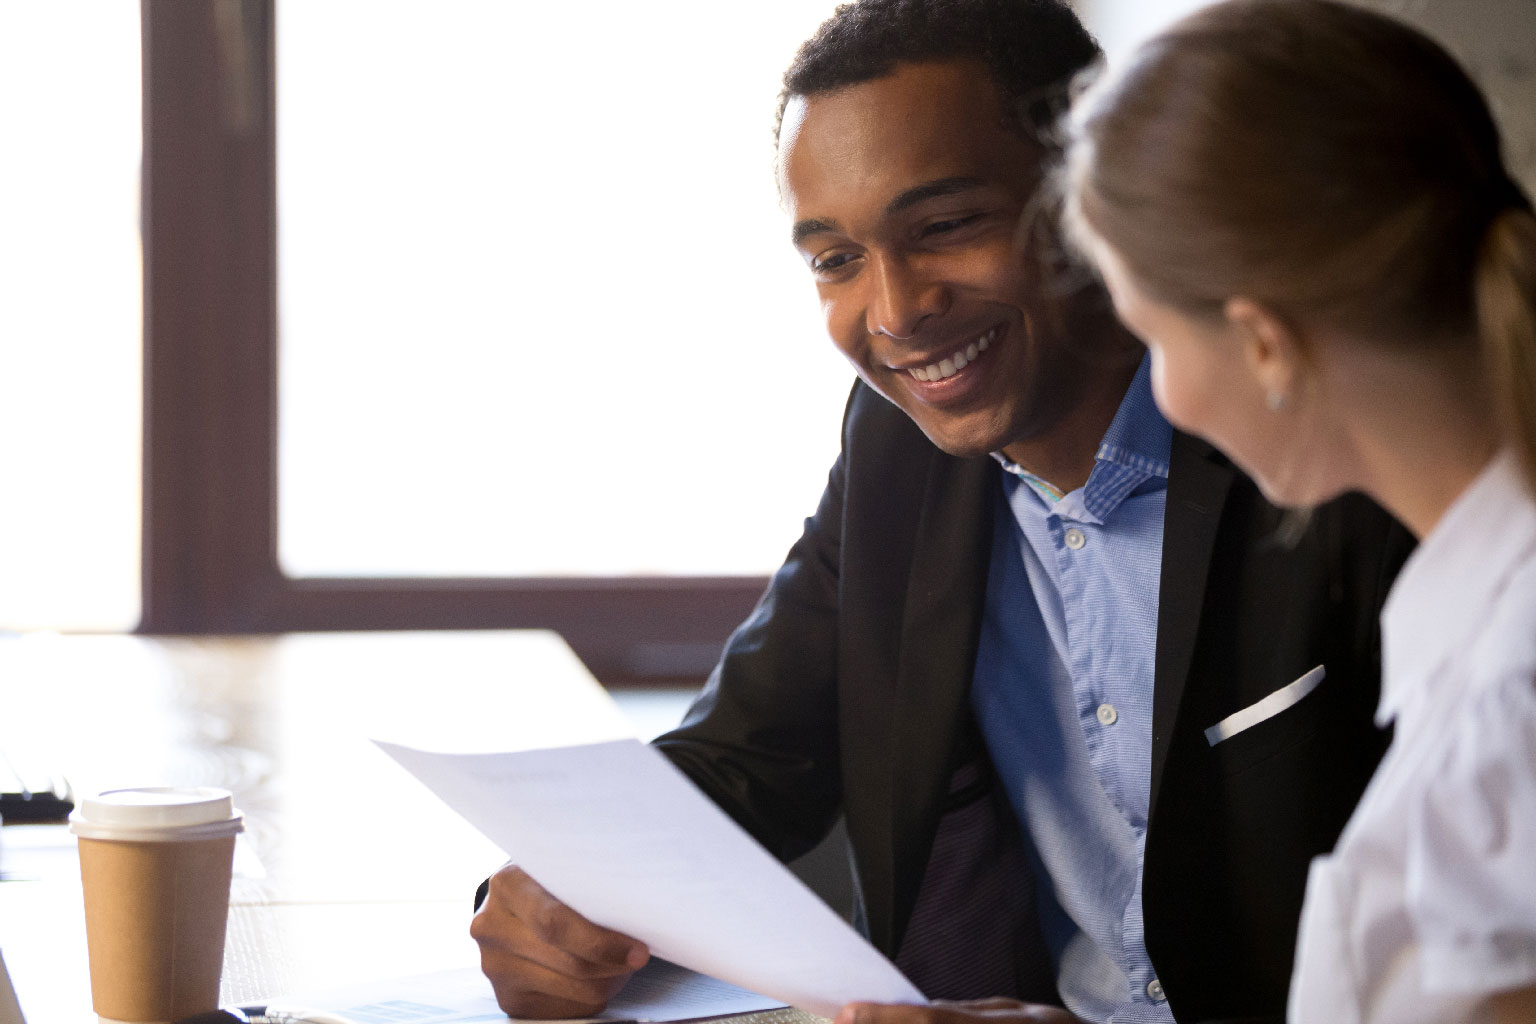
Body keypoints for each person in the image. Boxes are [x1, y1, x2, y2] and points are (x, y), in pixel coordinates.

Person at [471, 1, 1411, 1021]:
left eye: (946, 226)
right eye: (835, 259)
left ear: (1091, 197)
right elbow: (746, 751)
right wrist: (561, 890)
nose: (894, 312)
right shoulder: (900, 453)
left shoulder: (1323, 459)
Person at [1057, 1, 1536, 1022]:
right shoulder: (1483, 617)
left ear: (1265, 342)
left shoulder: (1509, 698)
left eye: (1155, 342)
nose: (1166, 397)